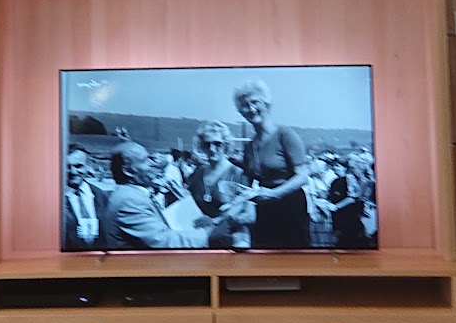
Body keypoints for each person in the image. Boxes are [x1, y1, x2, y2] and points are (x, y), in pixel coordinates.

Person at [100, 142, 237, 250]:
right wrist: (211, 234)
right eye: (145, 160)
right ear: (127, 170)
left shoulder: (129, 195)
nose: (153, 163)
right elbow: (163, 240)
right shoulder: (129, 200)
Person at [234, 79, 312, 250]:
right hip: (265, 209)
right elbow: (247, 183)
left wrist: (275, 194)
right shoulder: (250, 146)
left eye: (255, 102)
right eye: (245, 105)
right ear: (241, 112)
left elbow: (303, 175)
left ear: (267, 104)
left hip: (291, 208)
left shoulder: (285, 135)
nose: (251, 109)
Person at [61, 146, 106, 252]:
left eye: (78, 166)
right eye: (67, 167)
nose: (73, 172)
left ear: (88, 166)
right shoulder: (56, 198)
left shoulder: (101, 195)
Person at [326, 155, 369, 248]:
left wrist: (336, 206)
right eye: (334, 166)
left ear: (345, 168)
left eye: (338, 166)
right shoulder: (335, 181)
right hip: (340, 219)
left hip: (349, 218)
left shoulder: (349, 179)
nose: (335, 168)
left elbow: (352, 198)